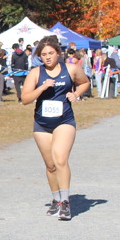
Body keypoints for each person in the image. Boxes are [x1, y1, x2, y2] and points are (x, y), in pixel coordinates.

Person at [21, 36, 91, 221]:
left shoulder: (71, 69)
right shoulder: (36, 73)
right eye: (43, 54)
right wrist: (42, 88)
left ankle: (66, 202)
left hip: (64, 121)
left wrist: (76, 94)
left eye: (51, 53)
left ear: (58, 53)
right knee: (51, 166)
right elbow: (25, 99)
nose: (47, 57)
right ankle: (56, 199)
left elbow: (85, 82)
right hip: (42, 124)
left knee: (60, 159)